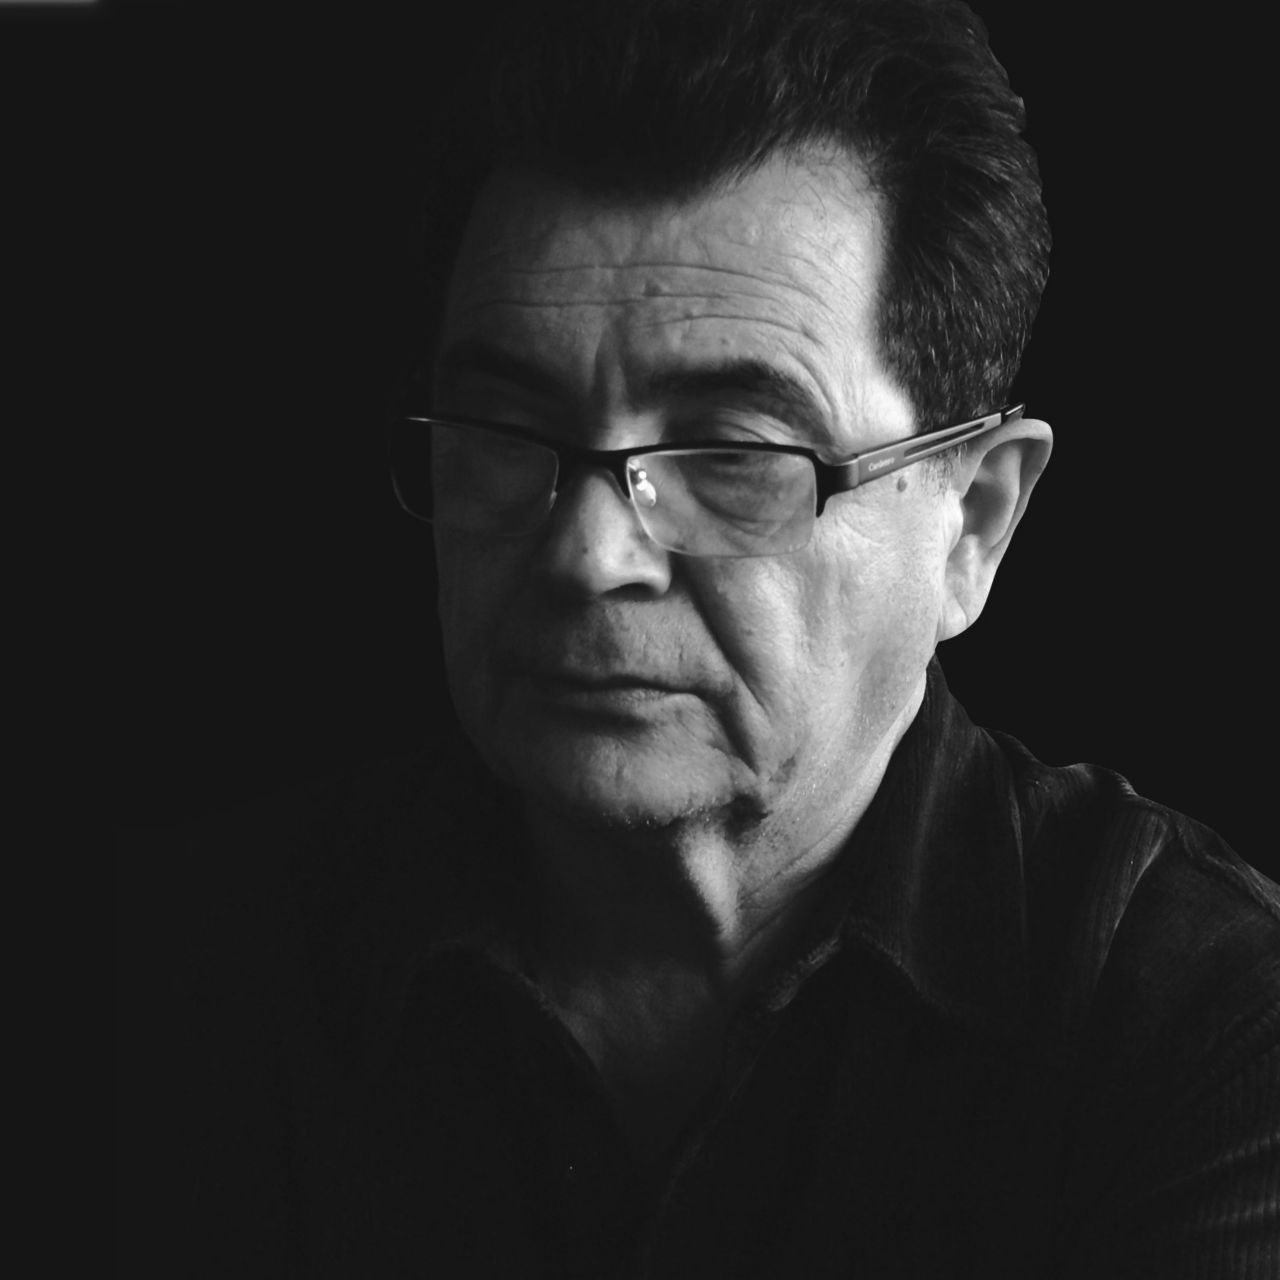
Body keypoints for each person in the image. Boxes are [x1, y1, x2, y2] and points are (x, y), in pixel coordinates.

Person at [115, 0, 1278, 1275]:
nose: (586, 553)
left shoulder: (1209, 1023)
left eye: (729, 454)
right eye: (502, 430)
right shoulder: (156, 982)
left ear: (972, 524)